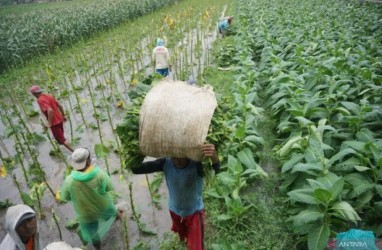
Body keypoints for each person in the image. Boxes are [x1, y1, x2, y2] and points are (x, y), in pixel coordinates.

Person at [131, 144, 220, 250]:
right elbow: (136, 169)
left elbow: (215, 170)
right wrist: (138, 152)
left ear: (188, 153)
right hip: (175, 210)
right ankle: (186, 239)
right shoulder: (165, 162)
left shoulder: (197, 165)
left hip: (194, 212)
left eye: (180, 155)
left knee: (197, 247)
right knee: (183, 234)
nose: (177, 160)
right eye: (173, 155)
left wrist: (214, 158)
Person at [61, 148, 118, 250]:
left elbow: (65, 197)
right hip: (103, 207)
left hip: (86, 214)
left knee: (94, 234)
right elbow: (109, 188)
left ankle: (98, 247)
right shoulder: (99, 174)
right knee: (113, 214)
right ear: (88, 160)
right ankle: (118, 226)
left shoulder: (69, 181)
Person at [29, 85, 74, 152]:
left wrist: (49, 123)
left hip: (54, 123)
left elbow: (50, 110)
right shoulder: (49, 96)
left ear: (33, 94)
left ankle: (76, 153)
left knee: (62, 140)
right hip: (60, 119)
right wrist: (63, 115)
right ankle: (66, 147)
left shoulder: (40, 100)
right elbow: (60, 106)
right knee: (61, 139)